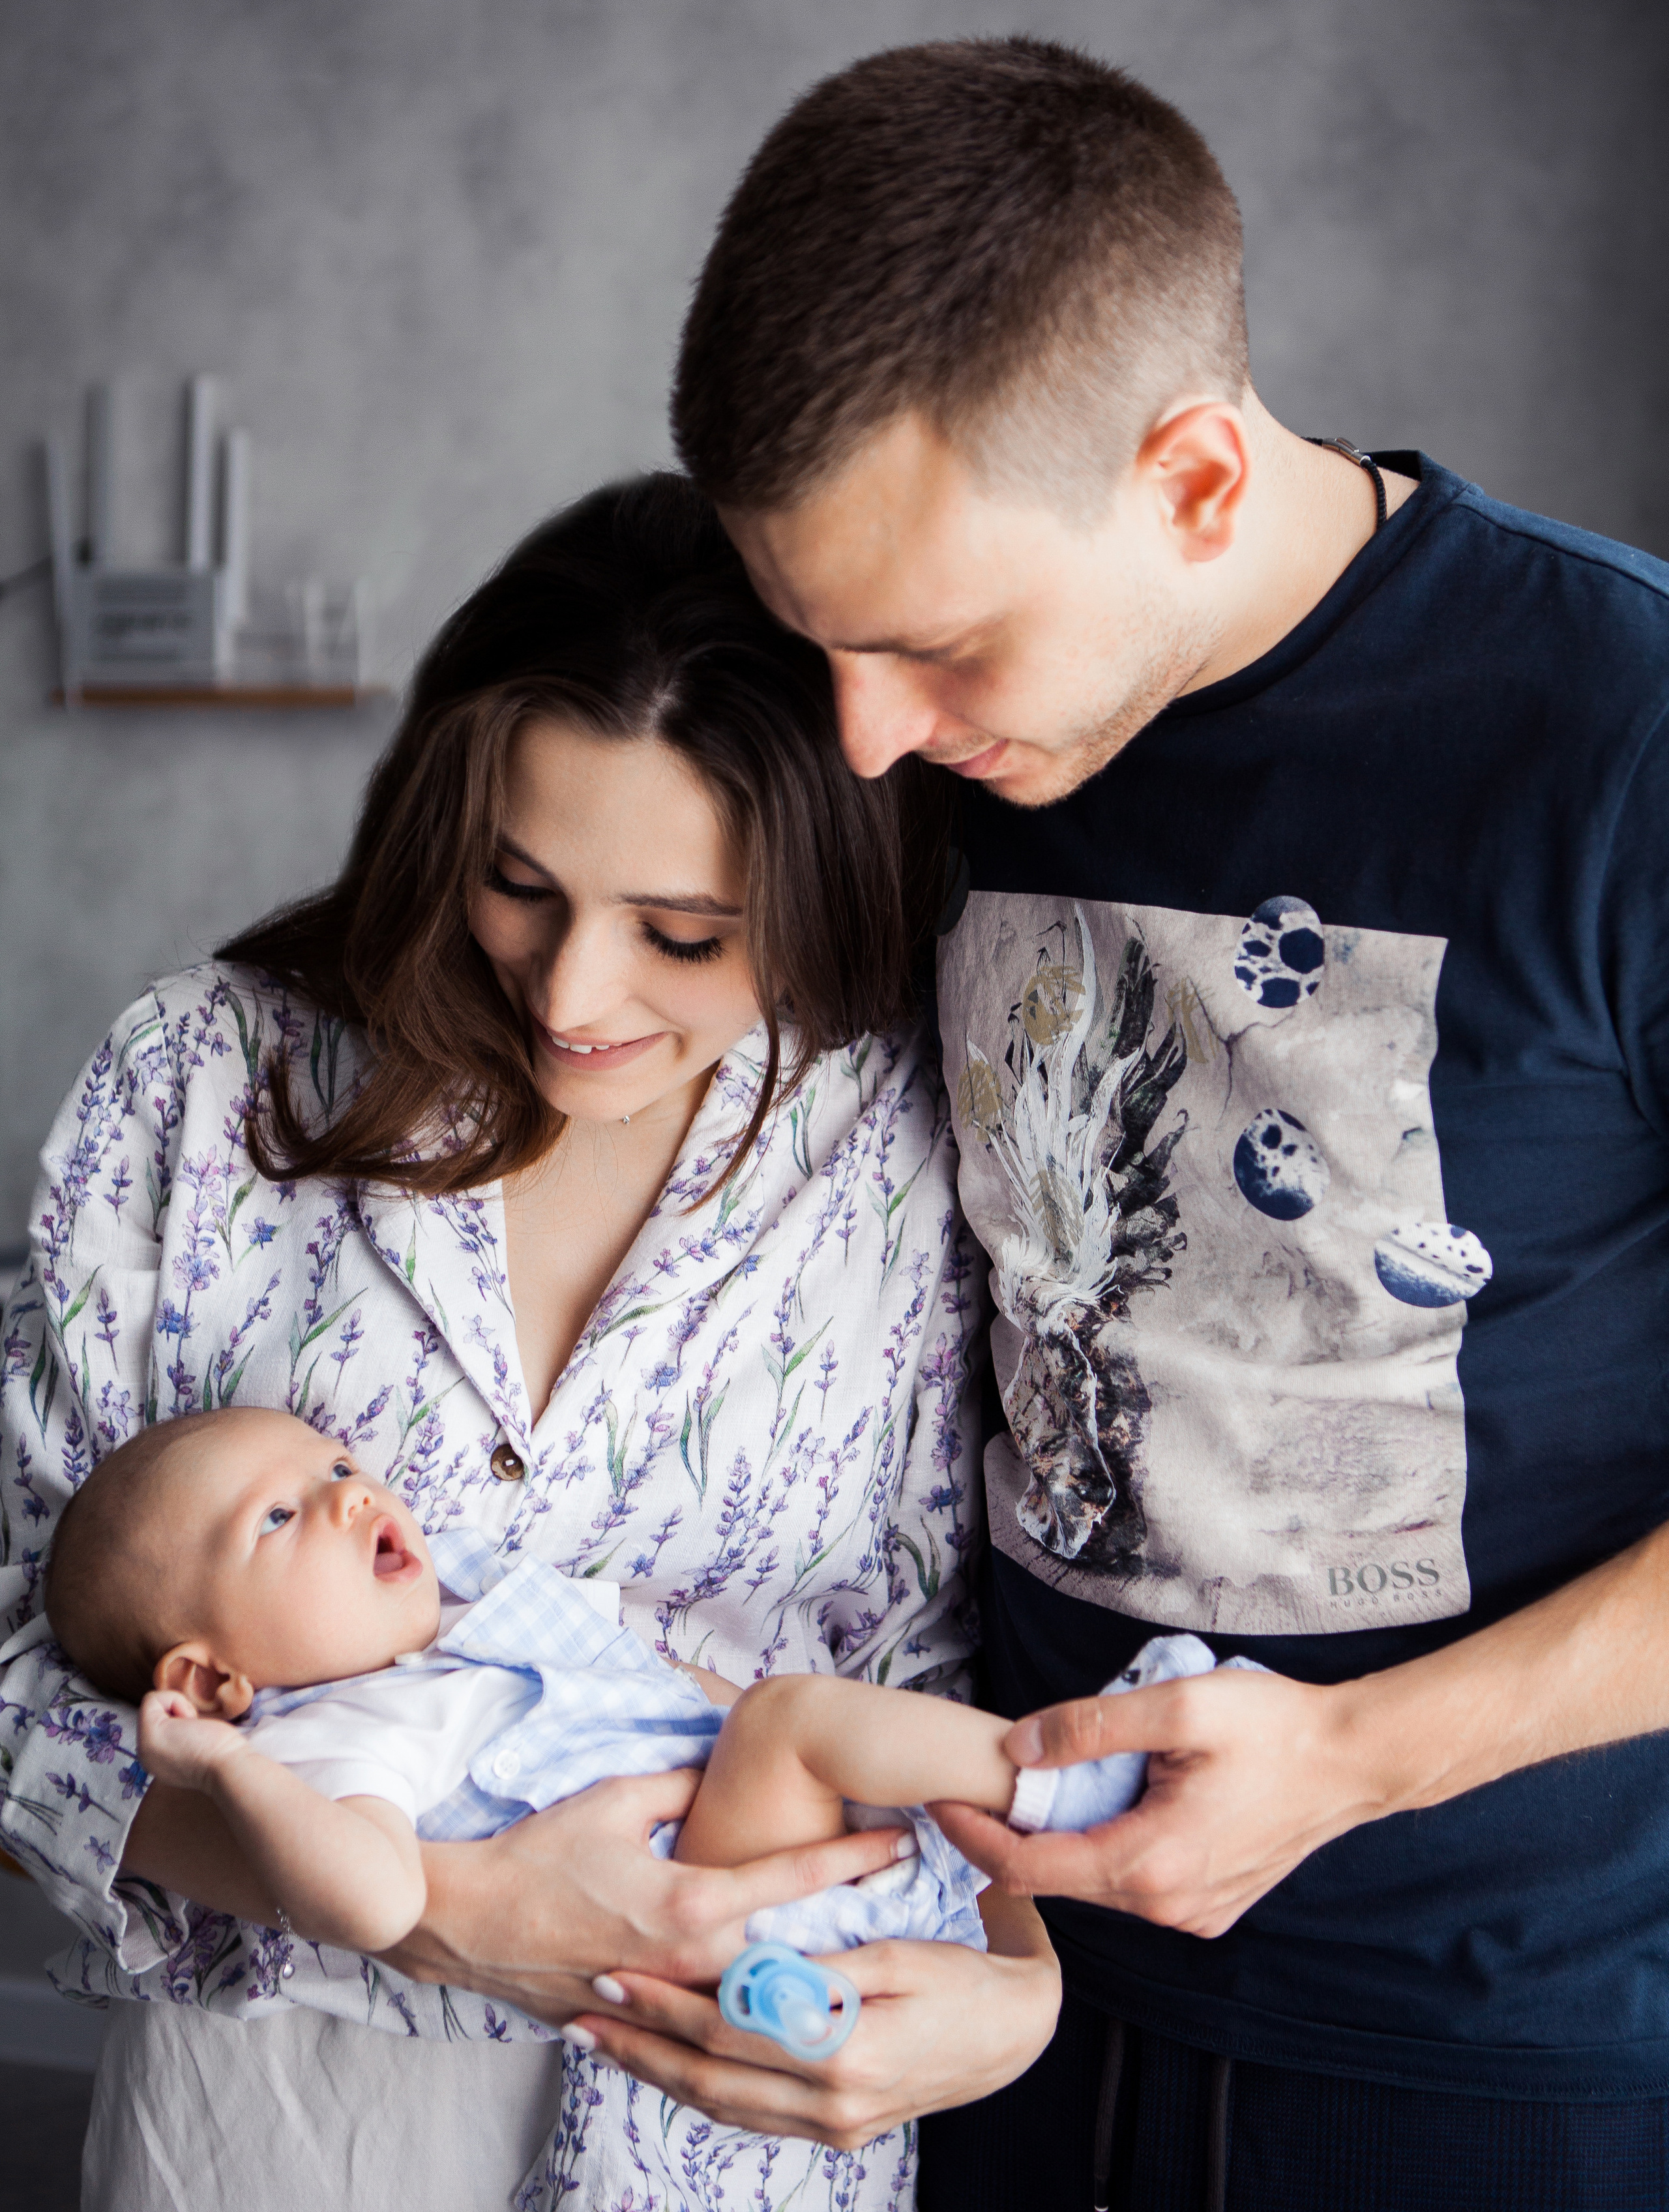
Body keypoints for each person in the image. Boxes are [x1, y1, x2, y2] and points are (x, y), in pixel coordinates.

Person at [559, 37, 1669, 2211]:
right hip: (994, 1993)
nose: (868, 740)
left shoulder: (1620, 735)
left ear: (1190, 478)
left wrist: (1348, 1761)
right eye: (823, 639)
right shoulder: (899, 734)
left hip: (1498, 2052)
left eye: (942, 648)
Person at [0, 475, 1061, 2212]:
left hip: (743, 2129)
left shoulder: (903, 1158)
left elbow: (935, 1672)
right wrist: (443, 1912)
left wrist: (1015, 1995)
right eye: (521, 884)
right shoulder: (204, 1090)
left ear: (829, 885)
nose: (573, 996)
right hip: (285, 2126)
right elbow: (18, 1673)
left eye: (684, 935)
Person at [45, 1404, 1220, 1985]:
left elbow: (664, 1678)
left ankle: (1057, 1790)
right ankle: (1064, 1776)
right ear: (209, 1680)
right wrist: (230, 1767)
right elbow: (370, 1898)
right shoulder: (338, 1734)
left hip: (760, 1853)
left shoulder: (463, 1614)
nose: (350, 1494)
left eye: (336, 1465)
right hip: (718, 1916)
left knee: (796, 1716)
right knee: (792, 1721)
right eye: (280, 1515)